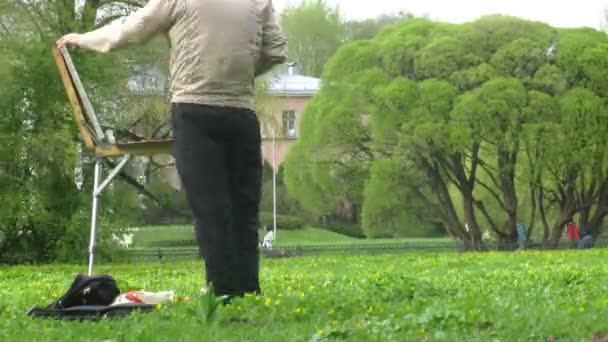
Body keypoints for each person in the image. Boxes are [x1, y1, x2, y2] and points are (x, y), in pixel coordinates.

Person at [57, 0, 287, 298]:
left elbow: (131, 31)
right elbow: (275, 51)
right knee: (243, 208)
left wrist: (82, 39)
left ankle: (226, 293)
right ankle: (248, 291)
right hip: (241, 113)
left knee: (210, 209)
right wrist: (238, 72)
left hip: (194, 110)